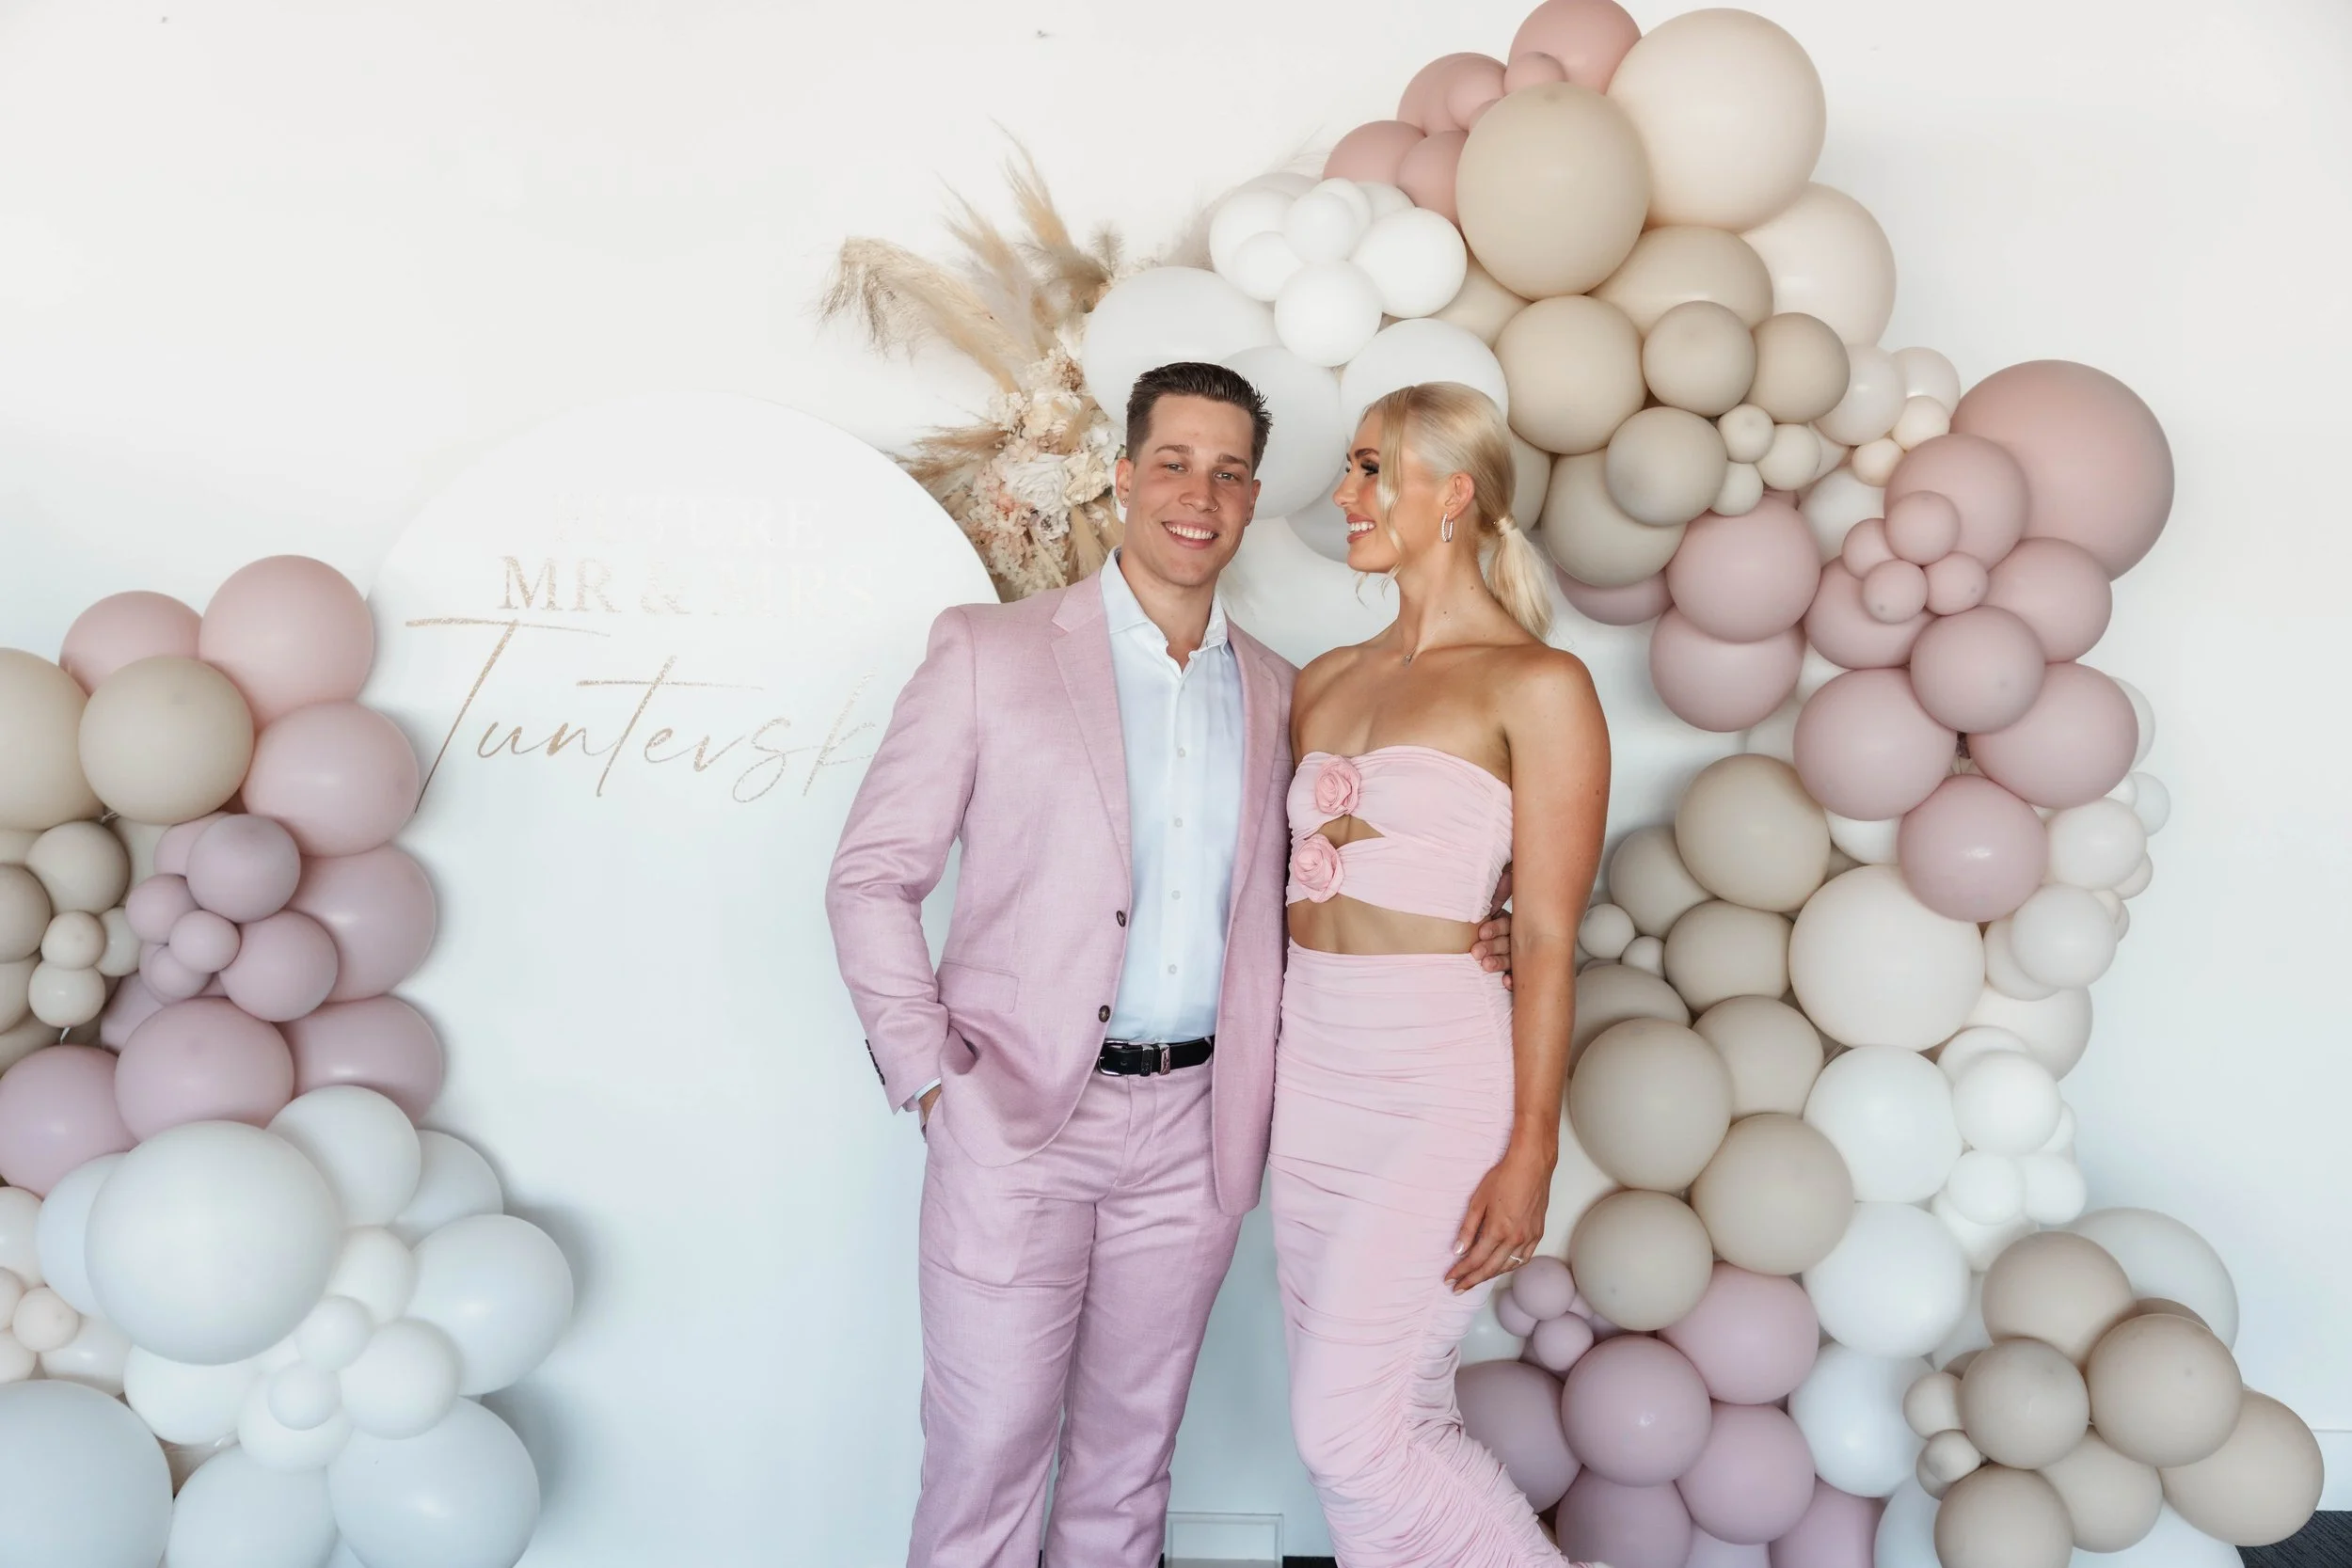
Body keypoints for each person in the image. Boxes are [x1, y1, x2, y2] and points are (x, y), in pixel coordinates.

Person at [825, 361, 1516, 1568]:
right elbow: (871, 873)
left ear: (1251, 498)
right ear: (1122, 475)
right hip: (1016, 1116)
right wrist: (933, 1076)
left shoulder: (1287, 694)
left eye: (1230, 470)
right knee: (986, 1448)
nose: (1200, 493)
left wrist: (1489, 918)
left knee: (1129, 1463)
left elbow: (1344, 880)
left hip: (1197, 1131)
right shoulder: (988, 653)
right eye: (1174, 462)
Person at [1274, 381, 1612, 1567]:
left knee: (1343, 1430)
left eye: (1371, 469)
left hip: (1438, 1087)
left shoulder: (1539, 685)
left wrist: (1532, 1148)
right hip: (1309, 1079)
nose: (1343, 492)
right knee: (1383, 1425)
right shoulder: (1319, 680)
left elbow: (1550, 937)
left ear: (1452, 492)